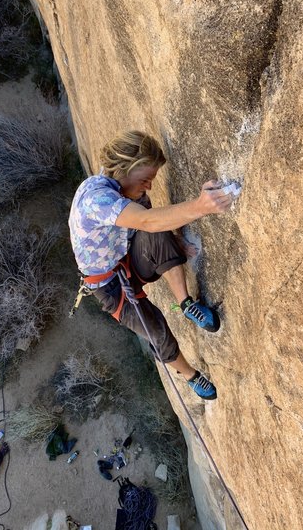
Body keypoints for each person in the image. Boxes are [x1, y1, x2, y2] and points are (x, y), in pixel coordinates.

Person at [68, 130, 233, 400]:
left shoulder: (129, 190)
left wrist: (174, 241)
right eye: (146, 179)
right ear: (124, 169)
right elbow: (147, 221)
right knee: (155, 331)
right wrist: (203, 206)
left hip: (129, 259)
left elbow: (153, 221)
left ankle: (186, 304)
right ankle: (192, 376)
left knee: (155, 227)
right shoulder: (96, 199)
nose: (149, 186)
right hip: (109, 286)